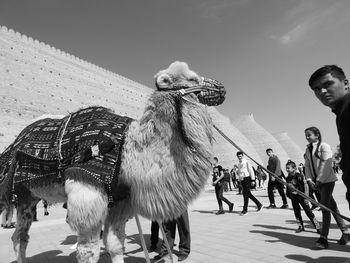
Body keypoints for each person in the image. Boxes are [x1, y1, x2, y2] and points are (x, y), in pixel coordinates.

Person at [308, 65, 350, 209]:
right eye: (317, 89)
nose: (322, 92)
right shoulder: (341, 113)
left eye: (327, 84)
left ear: (345, 83)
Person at [304, 126, 350, 248]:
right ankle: (345, 232)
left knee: (324, 208)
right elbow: (307, 166)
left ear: (317, 135)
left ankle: (323, 238)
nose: (307, 137)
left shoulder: (324, 146)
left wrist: (318, 180)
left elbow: (326, 164)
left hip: (327, 181)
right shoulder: (308, 150)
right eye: (306, 135)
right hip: (316, 183)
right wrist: (309, 180)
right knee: (332, 207)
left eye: (309, 135)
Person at [285, 160, 320, 233]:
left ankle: (317, 227)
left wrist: (306, 198)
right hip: (294, 198)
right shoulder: (287, 178)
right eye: (286, 168)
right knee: (297, 212)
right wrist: (288, 195)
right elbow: (288, 187)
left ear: (294, 168)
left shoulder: (299, 176)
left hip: (302, 197)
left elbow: (306, 187)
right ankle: (300, 226)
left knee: (309, 212)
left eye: (289, 168)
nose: (287, 169)